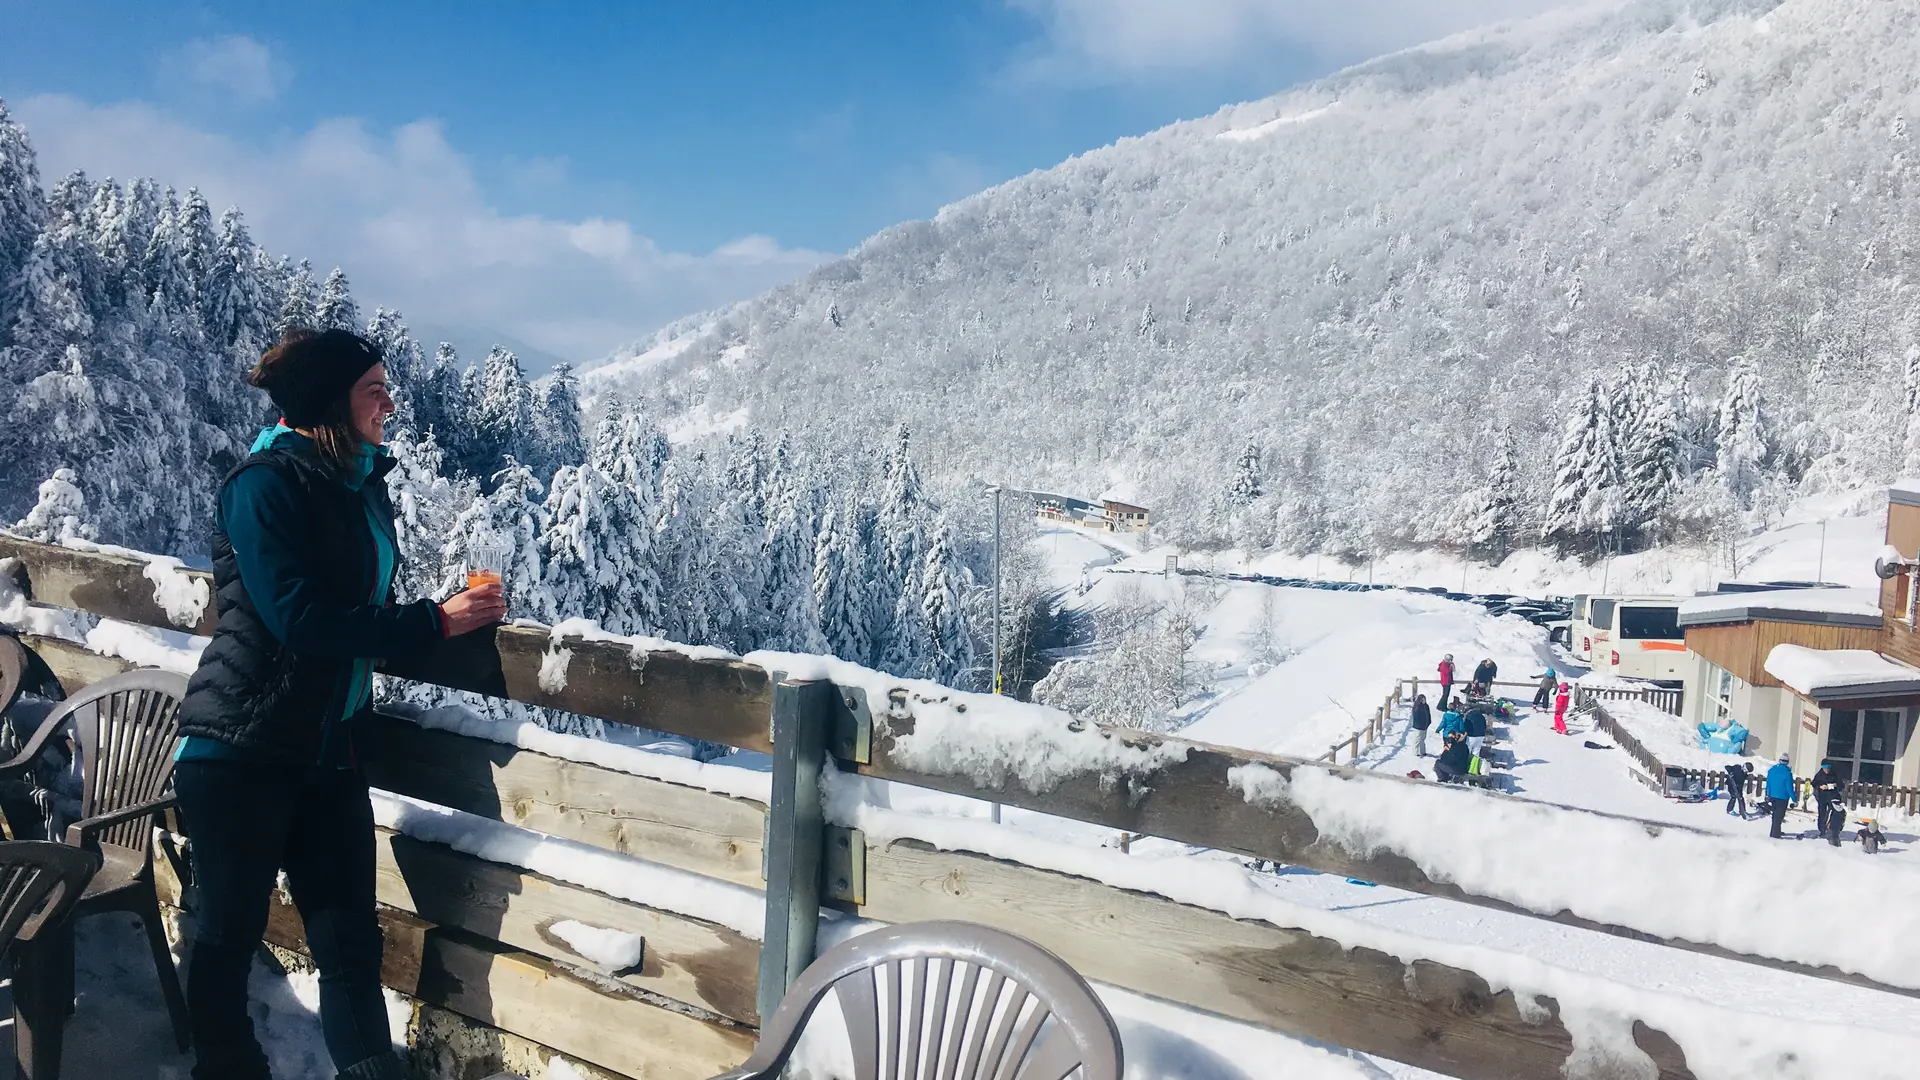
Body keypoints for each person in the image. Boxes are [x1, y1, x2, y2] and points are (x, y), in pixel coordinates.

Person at [174, 329, 508, 1080]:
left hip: (327, 754)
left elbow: (356, 615)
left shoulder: (356, 483)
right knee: (227, 933)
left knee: (350, 946)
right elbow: (301, 619)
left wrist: (443, 620)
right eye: (374, 389)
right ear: (332, 402)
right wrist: (433, 621)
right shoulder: (261, 486)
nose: (390, 401)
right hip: (242, 750)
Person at [1811, 761, 1846, 846]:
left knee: (1832, 814)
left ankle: (1831, 830)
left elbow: (1841, 785)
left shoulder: (1835, 774)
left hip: (1833, 797)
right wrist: (1820, 786)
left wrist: (1835, 785)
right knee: (1822, 814)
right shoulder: (1819, 774)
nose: (1826, 770)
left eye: (1827, 769)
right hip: (1822, 797)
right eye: (1824, 768)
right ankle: (1822, 831)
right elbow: (1814, 783)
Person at [1764, 753, 1795, 839]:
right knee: (1780, 815)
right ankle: (1775, 835)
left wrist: (1767, 794)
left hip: (1772, 796)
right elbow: (1789, 787)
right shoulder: (1787, 773)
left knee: (1775, 815)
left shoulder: (1772, 770)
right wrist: (1794, 798)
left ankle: (1776, 831)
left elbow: (1768, 784)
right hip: (1783, 797)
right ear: (1787, 762)